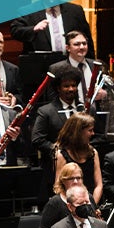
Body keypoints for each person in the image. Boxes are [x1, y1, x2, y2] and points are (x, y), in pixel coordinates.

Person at [32, 63, 93, 204]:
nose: (71, 89)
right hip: (57, 168)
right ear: (58, 88)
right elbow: (37, 139)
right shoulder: (46, 111)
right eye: (66, 86)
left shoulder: (85, 108)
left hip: (84, 167)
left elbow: (98, 135)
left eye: (73, 85)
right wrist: (59, 150)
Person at [10, 0, 95, 58]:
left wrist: (91, 64)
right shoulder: (29, 11)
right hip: (41, 64)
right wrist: (33, 29)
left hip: (71, 62)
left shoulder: (75, 10)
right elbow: (15, 31)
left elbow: (87, 38)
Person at [54, 112, 102, 203]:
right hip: (71, 205)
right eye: (90, 130)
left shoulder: (93, 153)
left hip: (91, 202)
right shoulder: (61, 155)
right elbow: (59, 187)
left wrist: (91, 206)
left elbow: (99, 185)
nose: (93, 133)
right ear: (79, 132)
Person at [48, 31, 106, 104]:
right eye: (77, 44)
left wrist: (104, 93)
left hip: (94, 112)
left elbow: (107, 90)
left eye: (84, 43)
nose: (82, 47)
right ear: (68, 48)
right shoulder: (56, 68)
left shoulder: (96, 65)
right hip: (69, 112)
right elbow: (52, 98)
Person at [39, 162, 89, 228]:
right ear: (63, 181)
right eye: (71, 178)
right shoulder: (55, 203)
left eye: (78, 178)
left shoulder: (88, 197)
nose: (75, 181)